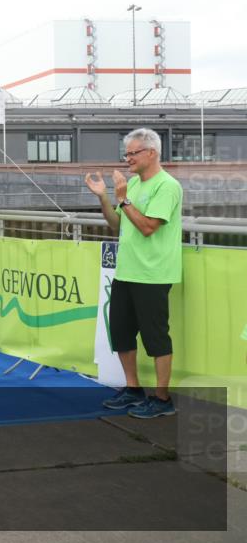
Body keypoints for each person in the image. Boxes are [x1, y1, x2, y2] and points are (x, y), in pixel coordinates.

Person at [85, 127, 183, 419]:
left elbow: (148, 227)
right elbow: (117, 225)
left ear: (151, 152)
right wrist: (104, 197)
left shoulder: (167, 186)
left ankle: (162, 398)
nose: (127, 158)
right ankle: (133, 389)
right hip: (127, 271)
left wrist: (124, 198)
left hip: (154, 273)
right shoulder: (134, 185)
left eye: (133, 153)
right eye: (126, 153)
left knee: (156, 338)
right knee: (122, 333)